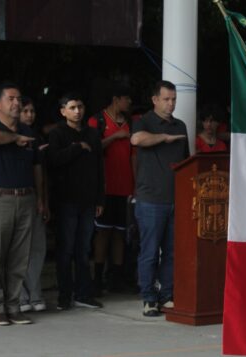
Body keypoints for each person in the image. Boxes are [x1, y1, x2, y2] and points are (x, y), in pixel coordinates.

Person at [0, 82, 44, 326]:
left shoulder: (30, 132)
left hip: (26, 198)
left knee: (20, 257)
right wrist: (16, 137)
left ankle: (13, 306)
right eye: (11, 99)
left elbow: (37, 167)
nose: (17, 103)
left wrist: (40, 198)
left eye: (19, 99)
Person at [130, 80, 190, 317]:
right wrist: (164, 137)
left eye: (174, 99)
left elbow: (187, 162)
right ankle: (148, 297)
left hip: (175, 198)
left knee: (172, 251)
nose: (171, 103)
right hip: (150, 199)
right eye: (166, 99)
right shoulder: (143, 121)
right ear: (155, 100)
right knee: (150, 251)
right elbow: (136, 140)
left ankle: (167, 294)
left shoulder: (181, 125)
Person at [47, 93, 105, 311]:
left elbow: (99, 168)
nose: (77, 111)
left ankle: (83, 293)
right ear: (63, 111)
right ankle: (64, 294)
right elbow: (53, 161)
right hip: (66, 200)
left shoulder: (93, 133)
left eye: (80, 106)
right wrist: (77, 147)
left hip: (89, 200)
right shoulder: (58, 133)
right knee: (66, 249)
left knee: (83, 249)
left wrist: (100, 198)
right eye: (72, 107)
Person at [87, 85, 135, 295]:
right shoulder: (96, 120)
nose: (130, 103)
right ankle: (97, 277)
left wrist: (135, 184)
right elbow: (93, 147)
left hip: (125, 187)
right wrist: (116, 137)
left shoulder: (130, 122)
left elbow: (134, 155)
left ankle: (116, 277)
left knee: (120, 233)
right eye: (127, 99)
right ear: (116, 99)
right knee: (103, 232)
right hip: (105, 187)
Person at [17, 97, 49, 313]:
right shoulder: (9, 136)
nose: (29, 114)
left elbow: (41, 173)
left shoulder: (36, 138)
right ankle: (20, 295)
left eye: (32, 110)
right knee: (18, 249)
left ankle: (35, 291)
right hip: (14, 198)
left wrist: (43, 200)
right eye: (25, 110)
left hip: (34, 196)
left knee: (37, 247)